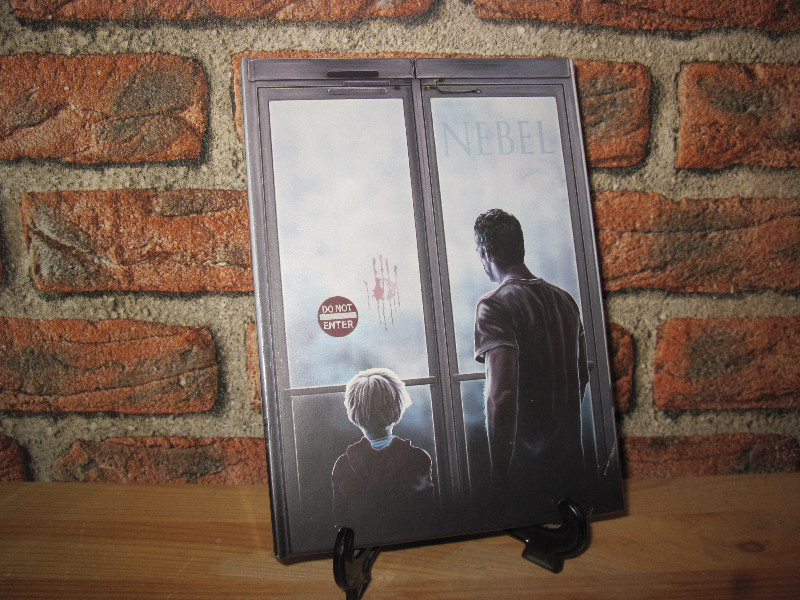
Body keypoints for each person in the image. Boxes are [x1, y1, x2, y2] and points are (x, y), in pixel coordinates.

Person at [473, 209, 589, 505]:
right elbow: (582, 375)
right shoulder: (566, 301)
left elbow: (501, 395)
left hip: (525, 472)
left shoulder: (493, 306)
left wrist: (499, 475)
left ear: (486, 252)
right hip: (571, 465)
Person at [331, 367, 435, 541]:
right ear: (397, 405)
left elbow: (340, 521)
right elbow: (428, 515)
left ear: (353, 409)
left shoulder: (342, 465)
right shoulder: (419, 459)